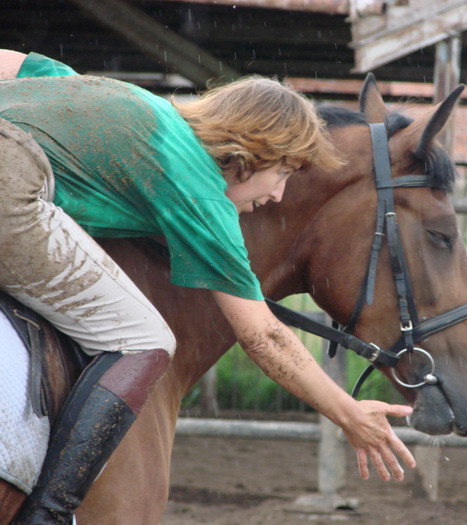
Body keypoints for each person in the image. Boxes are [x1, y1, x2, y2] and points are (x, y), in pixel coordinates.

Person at [0, 50, 415, 524]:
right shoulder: (199, 189)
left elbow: (15, 65)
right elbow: (263, 335)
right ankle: (49, 512)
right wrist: (349, 414)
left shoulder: (133, 101)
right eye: (281, 172)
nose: (277, 195)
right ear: (247, 155)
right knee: (145, 340)